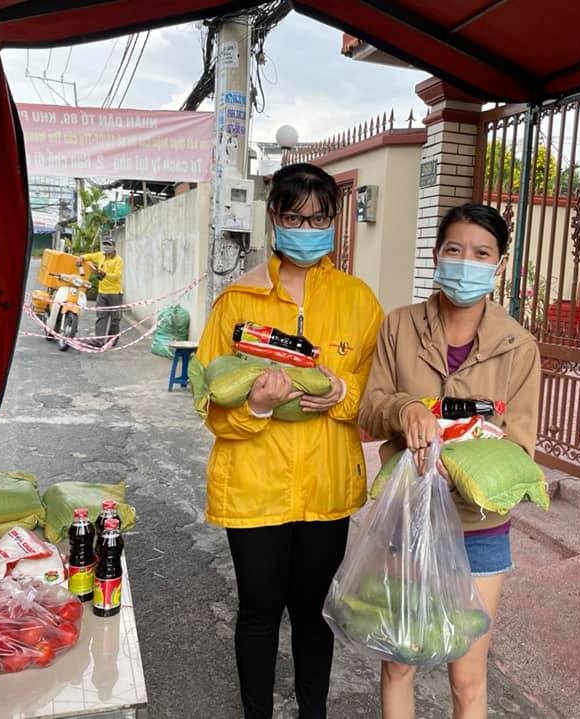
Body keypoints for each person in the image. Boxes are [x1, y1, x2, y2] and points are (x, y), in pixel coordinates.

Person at [195, 162, 385, 719]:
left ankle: (312, 714)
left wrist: (342, 394)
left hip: (326, 489)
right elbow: (210, 401)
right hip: (253, 488)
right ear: (274, 218)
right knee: (258, 609)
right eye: (295, 216)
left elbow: (375, 393)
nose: (309, 227)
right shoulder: (237, 302)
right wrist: (254, 407)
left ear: (336, 219)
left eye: (321, 216)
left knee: (311, 612)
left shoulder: (358, 301)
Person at [358, 202, 541, 719]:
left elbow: (520, 447)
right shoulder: (400, 327)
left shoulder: (518, 347)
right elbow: (372, 406)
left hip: (480, 528)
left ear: (499, 265)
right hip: (408, 514)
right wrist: (406, 407)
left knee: (467, 676)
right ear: (436, 256)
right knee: (400, 660)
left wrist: (460, 463)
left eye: (482, 253)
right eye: (455, 250)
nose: (467, 262)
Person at [77, 236, 124, 347]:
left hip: (115, 294)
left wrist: (104, 274)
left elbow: (117, 276)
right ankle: (99, 341)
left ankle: (112, 340)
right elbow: (90, 256)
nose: (106, 247)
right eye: (105, 244)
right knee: (101, 317)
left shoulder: (118, 260)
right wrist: (81, 258)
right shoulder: (100, 256)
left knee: (115, 319)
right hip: (102, 293)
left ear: (114, 246)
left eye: (109, 244)